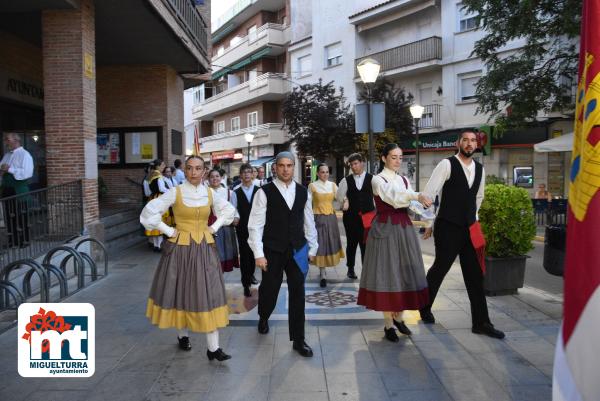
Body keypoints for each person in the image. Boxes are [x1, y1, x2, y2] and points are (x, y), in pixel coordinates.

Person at [140, 155, 235, 361]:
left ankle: (213, 348)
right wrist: (169, 231)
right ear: (185, 169)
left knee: (210, 292)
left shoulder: (210, 193)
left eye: (198, 168)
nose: (193, 172)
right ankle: (183, 335)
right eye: (190, 168)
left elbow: (228, 211)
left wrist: (214, 227)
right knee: (181, 290)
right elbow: (149, 213)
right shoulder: (175, 192)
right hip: (180, 250)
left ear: (204, 172)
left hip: (204, 248)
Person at [420, 129, 505, 339]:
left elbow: (479, 197)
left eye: (473, 140)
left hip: (469, 227)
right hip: (448, 226)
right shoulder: (446, 164)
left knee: (475, 275)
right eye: (465, 140)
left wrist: (472, 218)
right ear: (459, 143)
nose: (469, 143)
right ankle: (424, 307)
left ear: (477, 145)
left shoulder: (480, 169)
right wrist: (429, 223)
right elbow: (428, 195)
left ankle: (482, 323)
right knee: (440, 268)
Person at [357, 144, 431, 342]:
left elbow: (412, 204)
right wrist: (416, 195)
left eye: (400, 157)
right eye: (393, 157)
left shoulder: (404, 179)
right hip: (385, 228)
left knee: (405, 272)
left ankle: (399, 318)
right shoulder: (377, 179)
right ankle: (388, 325)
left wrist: (428, 217)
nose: (398, 161)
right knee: (387, 273)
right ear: (383, 158)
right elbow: (395, 198)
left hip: (404, 228)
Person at [248, 151, 318, 357]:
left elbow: (309, 221)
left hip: (297, 249)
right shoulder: (264, 192)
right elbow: (255, 225)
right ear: (275, 168)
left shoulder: (304, 192)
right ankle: (263, 316)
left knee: (299, 293)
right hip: (272, 249)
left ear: (294, 167)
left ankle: (299, 339)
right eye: (282, 166)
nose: (286, 169)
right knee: (270, 288)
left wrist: (313, 248)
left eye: (289, 165)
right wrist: (258, 254)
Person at [335, 153, 374, 279]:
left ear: (362, 163)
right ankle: (350, 269)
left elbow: (378, 196)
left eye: (356, 163)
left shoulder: (372, 179)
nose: (354, 167)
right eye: (351, 165)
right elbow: (339, 196)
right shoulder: (346, 180)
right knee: (351, 244)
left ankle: (366, 269)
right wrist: (345, 200)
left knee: (366, 245)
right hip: (351, 218)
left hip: (368, 217)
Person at [308, 163, 345, 287]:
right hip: (317, 218)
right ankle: (322, 273)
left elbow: (340, 198)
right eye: (322, 172)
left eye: (327, 172)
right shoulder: (312, 186)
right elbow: (307, 204)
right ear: (317, 173)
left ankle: (324, 271)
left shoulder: (333, 185)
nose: (325, 174)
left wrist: (345, 201)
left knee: (329, 243)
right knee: (320, 244)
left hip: (331, 218)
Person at [231, 163, 260, 297]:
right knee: (244, 255)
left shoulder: (259, 190)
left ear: (253, 174)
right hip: (242, 228)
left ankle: (251, 274)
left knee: (254, 254)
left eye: (249, 172)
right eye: (244, 172)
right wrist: (235, 218)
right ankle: (246, 283)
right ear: (241, 175)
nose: (247, 174)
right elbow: (234, 209)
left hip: (257, 228)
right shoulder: (235, 192)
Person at [0, 132, 34, 247]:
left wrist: (10, 169)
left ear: (16, 140)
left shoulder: (25, 155)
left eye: (7, 140)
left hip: (19, 189)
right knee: (9, 216)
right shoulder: (7, 155)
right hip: (7, 188)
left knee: (21, 216)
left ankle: (24, 240)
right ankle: (12, 240)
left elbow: (27, 173)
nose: (5, 142)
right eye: (5, 140)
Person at [207, 169, 240, 272]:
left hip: (226, 228)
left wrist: (236, 217)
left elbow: (234, 209)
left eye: (217, 176)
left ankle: (220, 281)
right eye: (212, 177)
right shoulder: (205, 192)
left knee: (223, 255)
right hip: (210, 227)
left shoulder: (230, 193)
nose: (215, 179)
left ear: (221, 178)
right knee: (211, 256)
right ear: (208, 179)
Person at [145, 159, 168, 252]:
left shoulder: (149, 175)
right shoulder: (159, 175)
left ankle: (155, 245)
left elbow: (147, 191)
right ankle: (159, 245)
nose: (164, 167)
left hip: (152, 199)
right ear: (158, 166)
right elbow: (162, 188)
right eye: (162, 165)